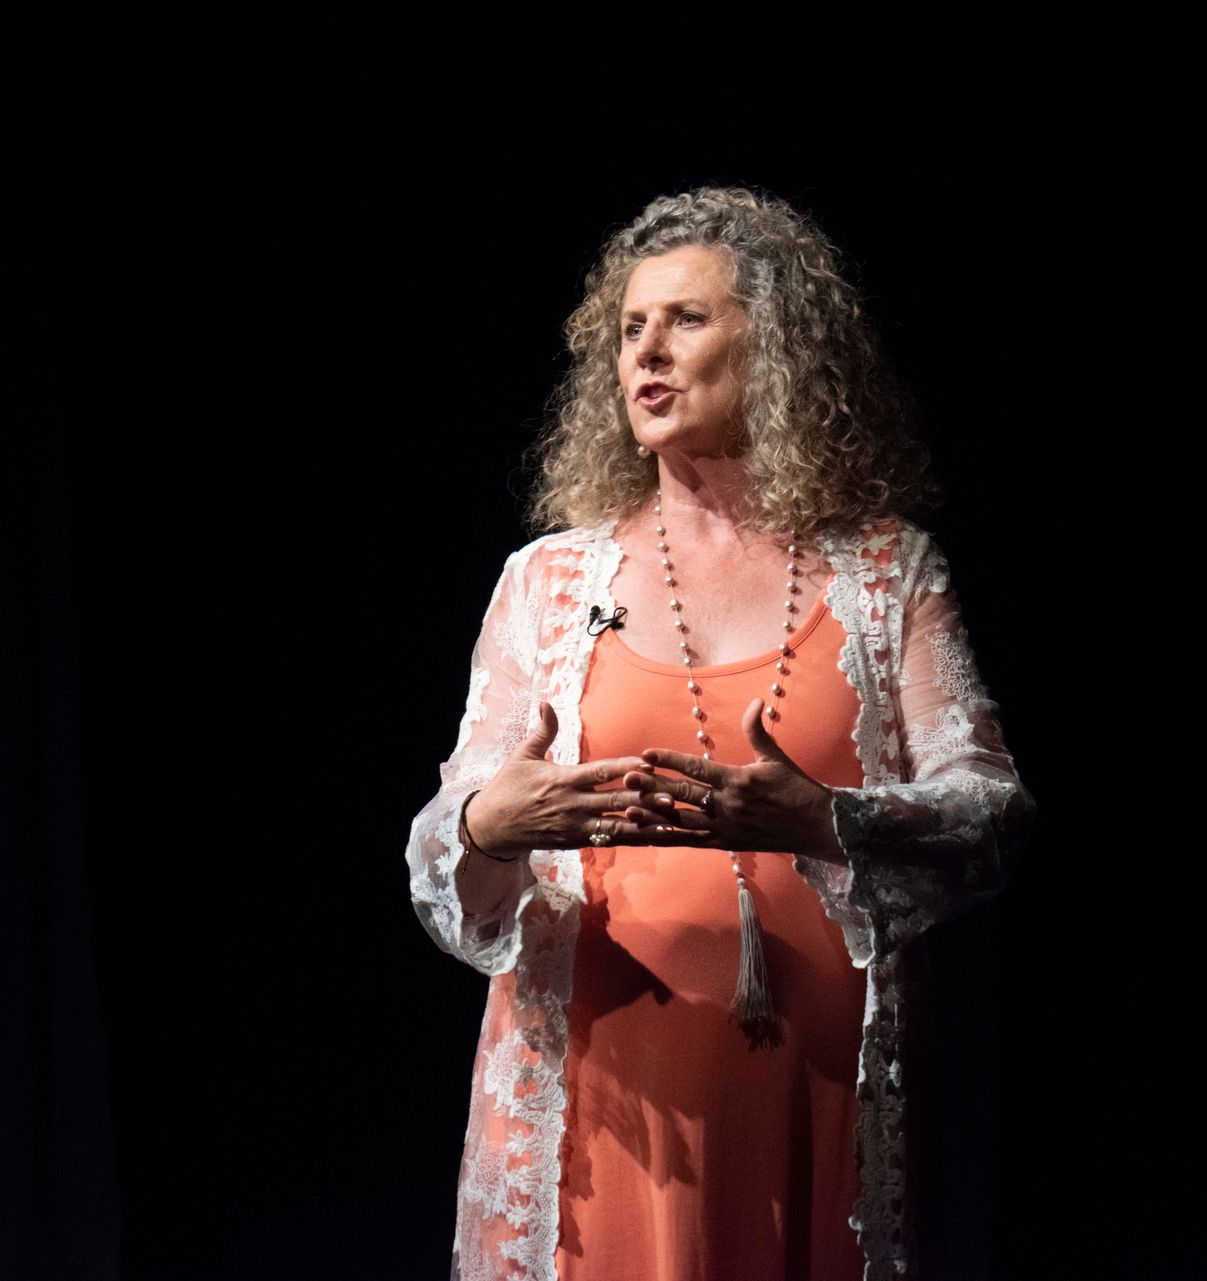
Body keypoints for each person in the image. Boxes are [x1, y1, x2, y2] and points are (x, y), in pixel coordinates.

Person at [406, 186, 1036, 1281]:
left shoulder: (884, 572)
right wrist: (487, 823)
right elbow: (443, 836)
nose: (645, 351)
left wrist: (829, 820)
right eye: (629, 328)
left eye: (685, 319)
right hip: (608, 1091)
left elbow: (989, 808)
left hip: (817, 1082)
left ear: (776, 347)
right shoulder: (548, 583)